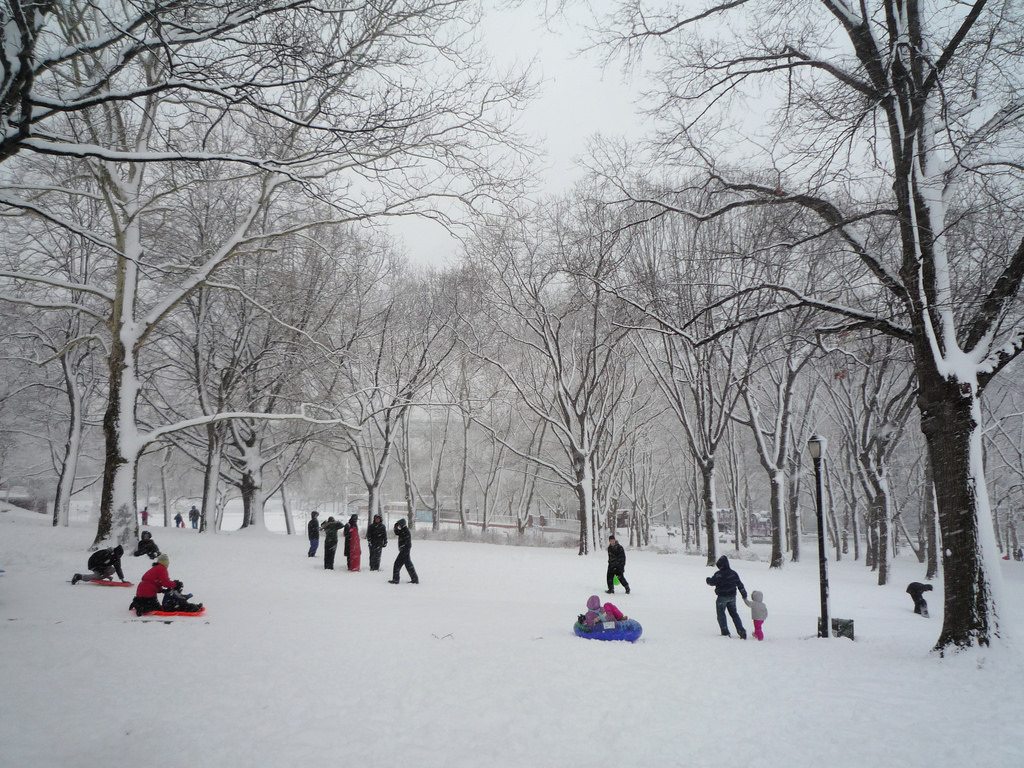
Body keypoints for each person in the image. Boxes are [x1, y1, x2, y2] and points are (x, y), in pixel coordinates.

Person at [129, 554, 201, 615]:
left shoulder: (155, 568)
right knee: (156, 609)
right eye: (167, 562)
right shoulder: (162, 568)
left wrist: (161, 590)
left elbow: (155, 581)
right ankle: (141, 607)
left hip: (142, 589)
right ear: (165, 562)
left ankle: (138, 602)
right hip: (148, 591)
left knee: (150, 604)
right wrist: (176, 584)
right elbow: (165, 583)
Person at [706, 555, 748, 639]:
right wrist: (744, 594)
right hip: (732, 596)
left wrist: (708, 580)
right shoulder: (733, 573)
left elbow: (712, 582)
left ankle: (725, 631)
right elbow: (740, 584)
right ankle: (741, 630)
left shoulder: (718, 574)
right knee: (734, 614)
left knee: (721, 614)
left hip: (722, 597)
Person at [388, 518, 419, 584]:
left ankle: (396, 580)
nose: (398, 526)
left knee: (397, 565)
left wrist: (404, 550)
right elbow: (397, 532)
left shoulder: (405, 531)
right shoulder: (403, 530)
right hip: (405, 551)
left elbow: (407, 543)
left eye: (399, 525)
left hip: (404, 551)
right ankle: (415, 579)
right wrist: (395, 526)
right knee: (408, 565)